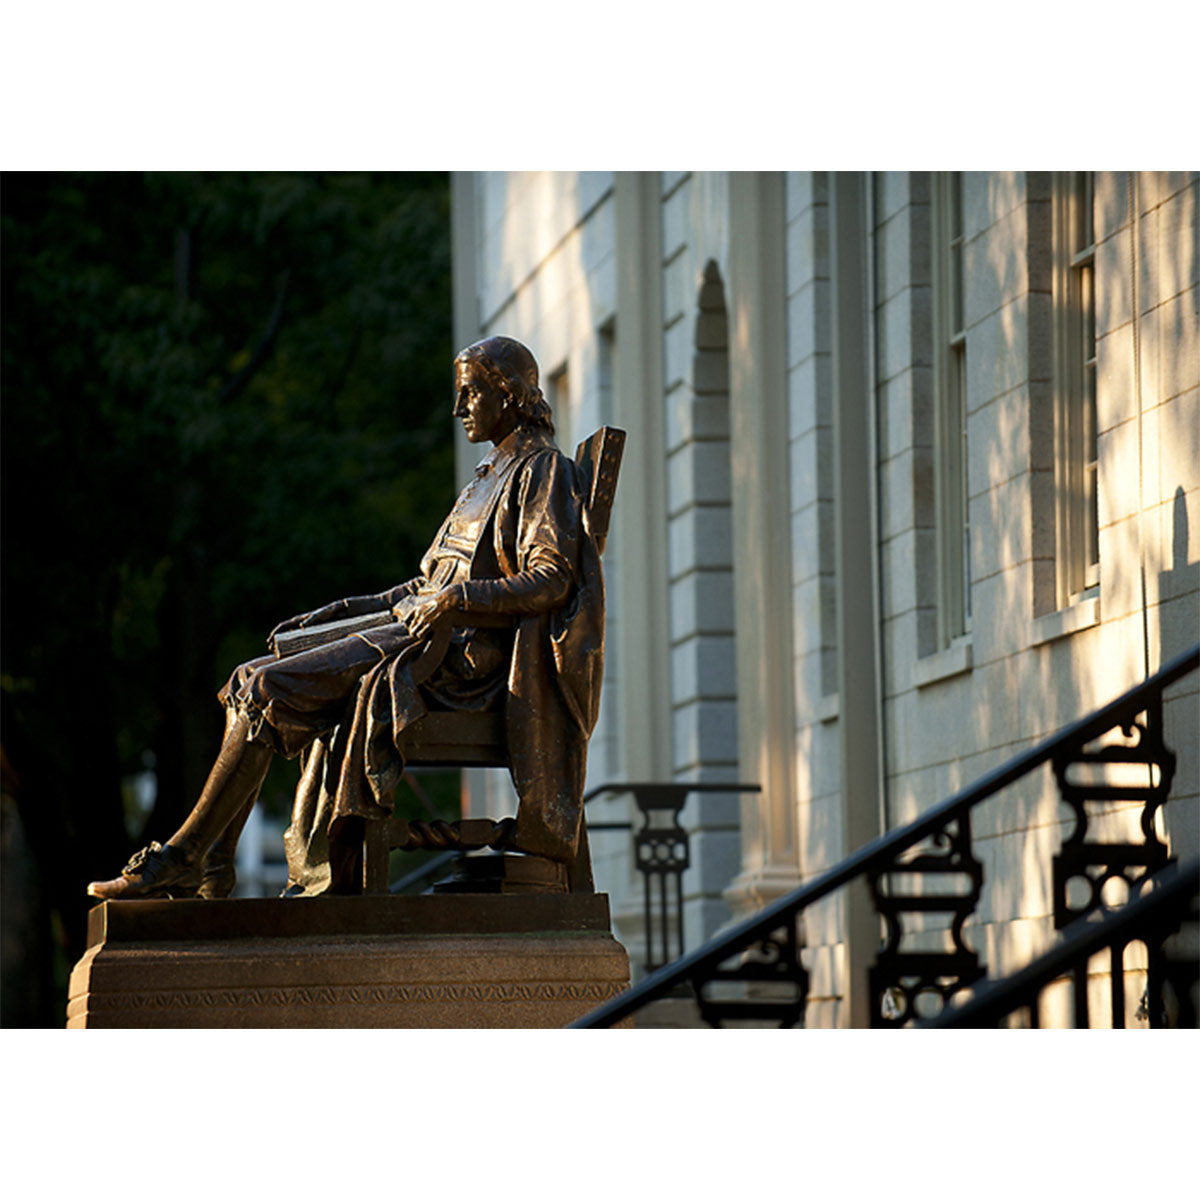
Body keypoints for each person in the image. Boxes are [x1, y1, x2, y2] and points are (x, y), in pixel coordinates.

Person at [88, 336, 605, 900]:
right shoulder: (489, 472)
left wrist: (456, 602)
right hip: (418, 630)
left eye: (470, 394)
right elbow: (427, 583)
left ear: (508, 395)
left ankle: (187, 856)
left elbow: (552, 578)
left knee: (266, 687)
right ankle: (212, 861)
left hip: (457, 661)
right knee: (247, 677)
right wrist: (350, 608)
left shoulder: (542, 470)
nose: (459, 410)